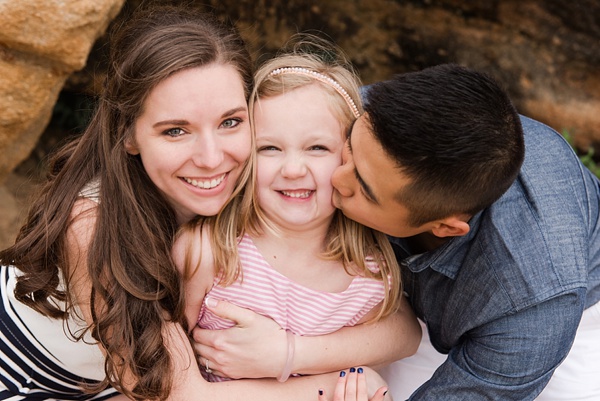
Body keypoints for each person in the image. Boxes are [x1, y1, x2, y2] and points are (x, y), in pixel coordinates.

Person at [0, 5, 418, 400]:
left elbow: (400, 327)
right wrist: (345, 382)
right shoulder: (91, 225)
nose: (212, 158)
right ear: (128, 135)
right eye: (175, 131)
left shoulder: (264, 199)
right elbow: (175, 394)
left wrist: (294, 353)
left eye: (230, 122)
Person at [329, 63, 600, 400]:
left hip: (564, 323)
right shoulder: (374, 112)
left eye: (363, 190)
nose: (334, 179)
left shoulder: (535, 305)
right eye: (350, 147)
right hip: (413, 303)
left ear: (445, 227)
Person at [172, 36, 419, 387]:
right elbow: (163, 369)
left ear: (351, 156)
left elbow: (401, 340)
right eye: (269, 148)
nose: (292, 169)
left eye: (317, 147)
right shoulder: (209, 252)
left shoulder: (368, 281)